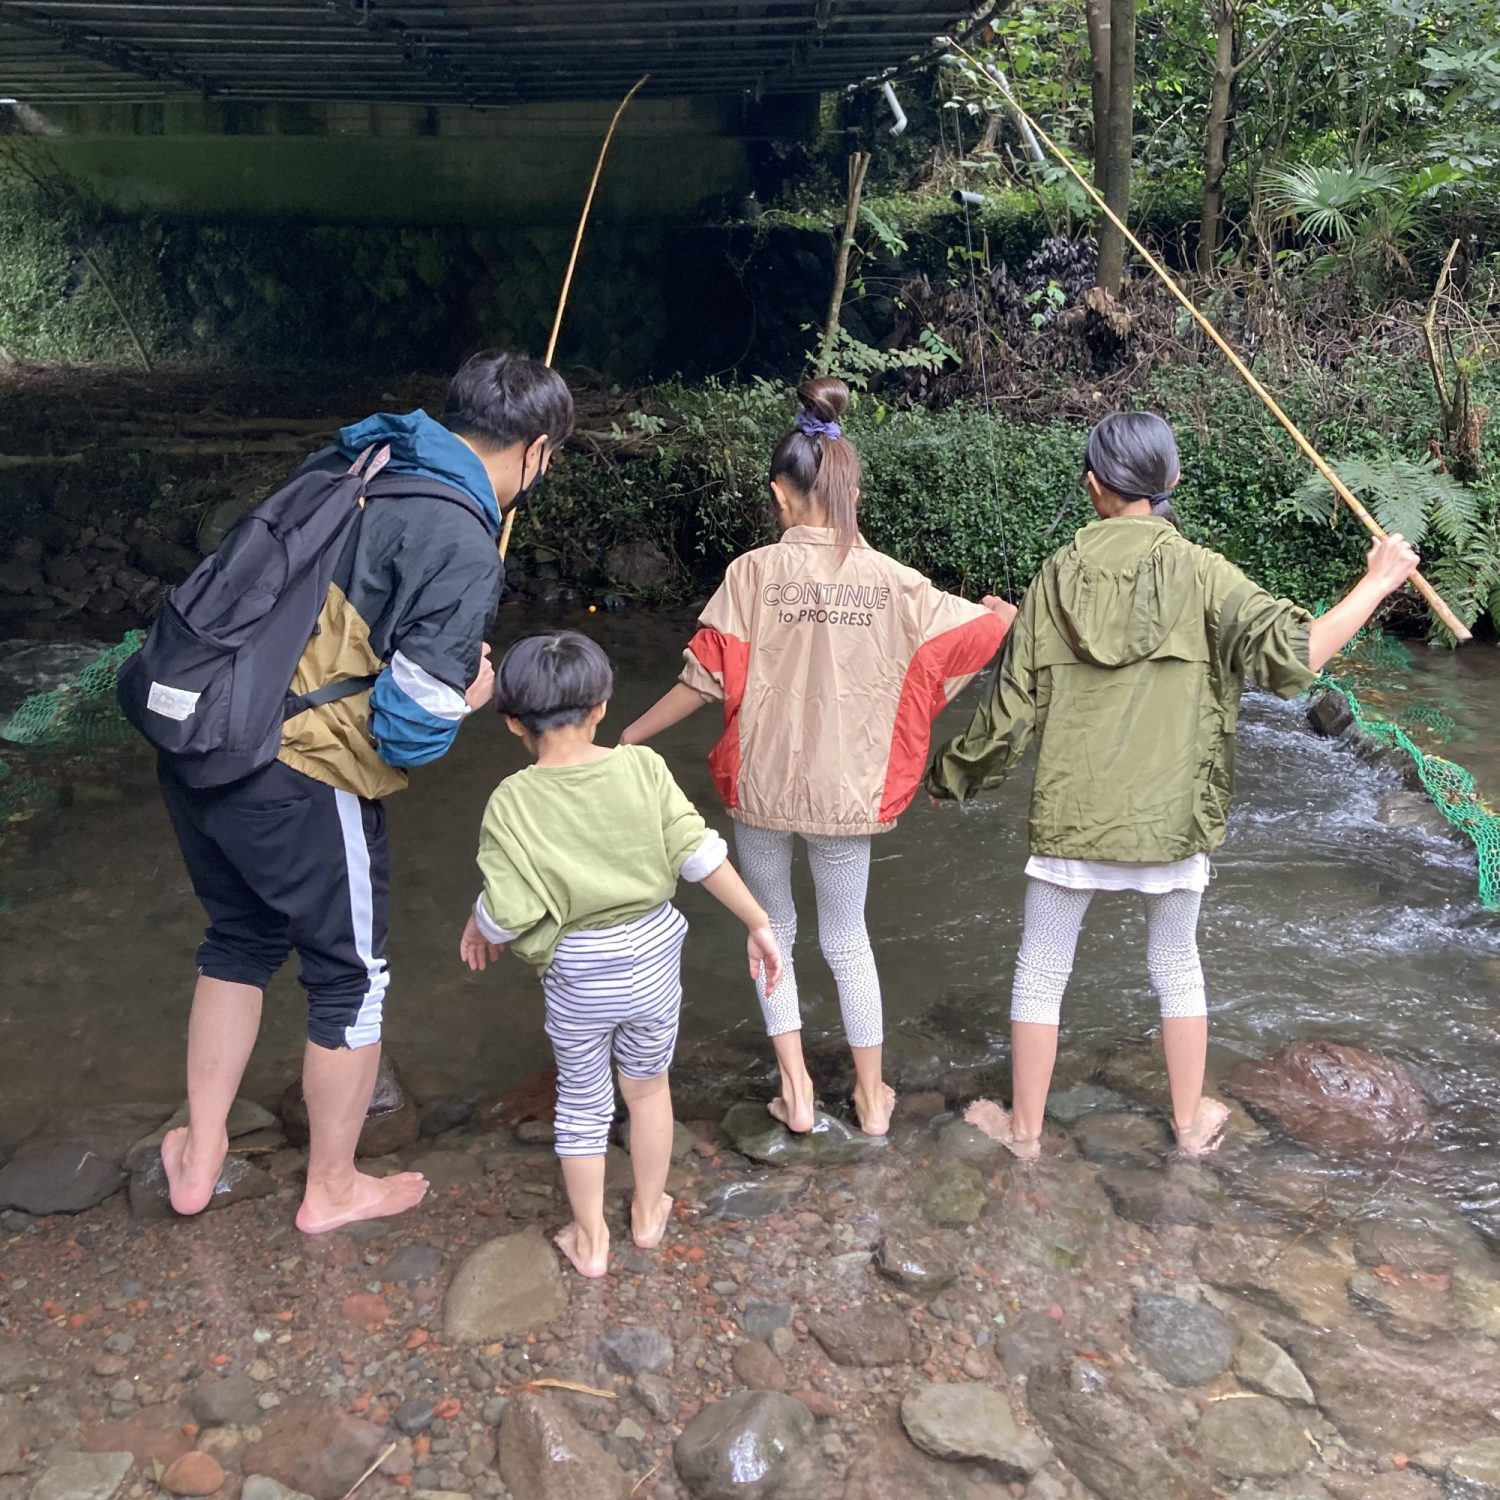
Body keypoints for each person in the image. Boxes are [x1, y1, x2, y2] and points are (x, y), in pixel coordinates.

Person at [926, 411, 1422, 1159]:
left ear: (1094, 486)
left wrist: (950, 779)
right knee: (1177, 968)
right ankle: (1190, 1126)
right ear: (1172, 484)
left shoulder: (1057, 575)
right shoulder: (1204, 572)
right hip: (1173, 820)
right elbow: (1297, 657)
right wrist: (1378, 580)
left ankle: (1024, 1134)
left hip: (1075, 814)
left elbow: (1011, 710)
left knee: (1040, 970)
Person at [158, 350, 574, 1233]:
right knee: (353, 978)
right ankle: (333, 1187)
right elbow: (407, 730)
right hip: (301, 774)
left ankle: (200, 1156)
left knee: (237, 938)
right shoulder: (461, 538)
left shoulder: (358, 462)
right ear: (535, 452)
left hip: (201, 735)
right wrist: (470, 694)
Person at [620, 377, 1012, 1137]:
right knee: (847, 937)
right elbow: (975, 642)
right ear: (850, 488)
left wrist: (629, 740)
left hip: (762, 785)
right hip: (848, 792)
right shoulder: (899, 584)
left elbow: (702, 680)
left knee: (771, 929)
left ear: (781, 491)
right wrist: (1001, 615)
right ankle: (871, 1098)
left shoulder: (751, 574)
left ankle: (795, 1089)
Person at [460, 632, 782, 1278]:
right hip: (653, 958)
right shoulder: (641, 768)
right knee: (648, 1089)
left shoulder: (513, 802)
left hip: (579, 970)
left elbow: (511, 908)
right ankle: (646, 1212)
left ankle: (589, 1239)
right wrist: (758, 921)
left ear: (513, 722)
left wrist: (480, 925)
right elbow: (699, 854)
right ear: (602, 707)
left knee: (582, 1102)